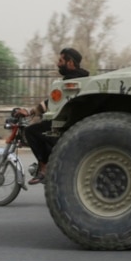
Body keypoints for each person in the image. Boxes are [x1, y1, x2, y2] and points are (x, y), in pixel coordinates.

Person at [20, 47, 89, 185]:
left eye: (61, 60)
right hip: (73, 123)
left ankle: (44, 169)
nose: (58, 64)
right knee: (43, 130)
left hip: (67, 126)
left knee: (31, 131)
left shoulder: (72, 80)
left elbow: (52, 102)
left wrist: (30, 112)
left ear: (70, 62)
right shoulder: (82, 77)